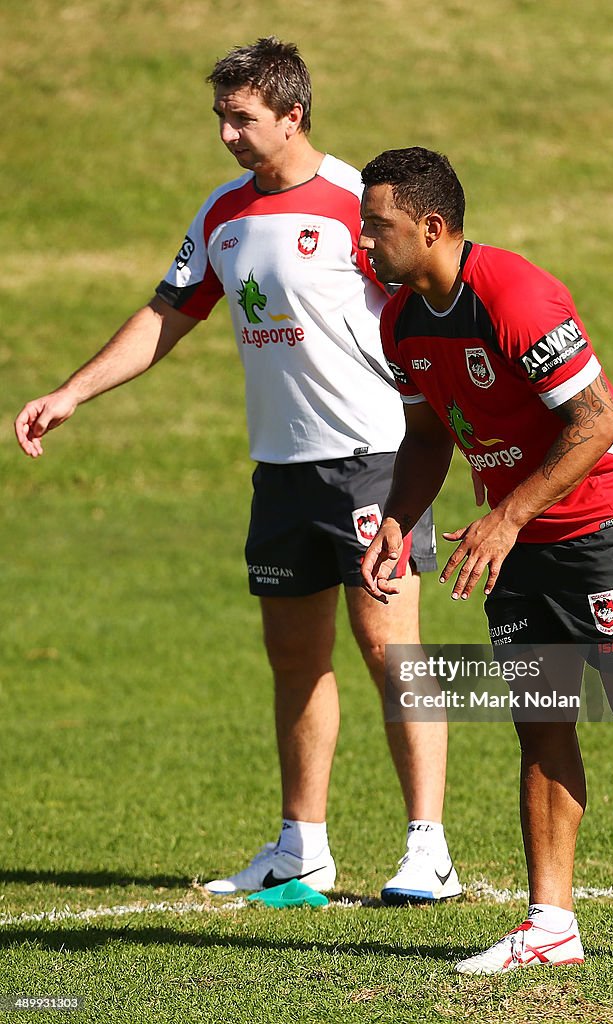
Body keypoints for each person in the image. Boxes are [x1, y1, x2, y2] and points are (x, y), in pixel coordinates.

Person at [13, 41, 462, 906]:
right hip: (281, 469)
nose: (225, 134)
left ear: (293, 115)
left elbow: (428, 309)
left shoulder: (356, 206)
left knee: (389, 650)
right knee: (293, 657)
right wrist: (73, 392)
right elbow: (168, 314)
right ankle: (302, 850)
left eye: (241, 118)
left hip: (373, 461)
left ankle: (428, 849)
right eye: (220, 116)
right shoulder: (222, 212)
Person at [358, 146, 613, 971]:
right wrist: (398, 519)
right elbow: (427, 436)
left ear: (431, 226)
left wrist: (506, 517)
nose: (364, 242)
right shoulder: (399, 321)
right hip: (515, 537)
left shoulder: (514, 294)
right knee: (541, 716)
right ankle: (550, 925)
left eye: (377, 226)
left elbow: (594, 423)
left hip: (607, 518)